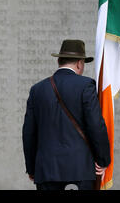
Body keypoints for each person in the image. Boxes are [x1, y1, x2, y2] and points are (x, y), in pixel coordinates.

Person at [22, 39, 111, 190]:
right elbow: (96, 125)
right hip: (80, 169)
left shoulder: (37, 89)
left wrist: (32, 168)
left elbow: (29, 133)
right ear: (79, 64)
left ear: (58, 61)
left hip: (46, 170)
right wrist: (103, 161)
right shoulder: (86, 86)